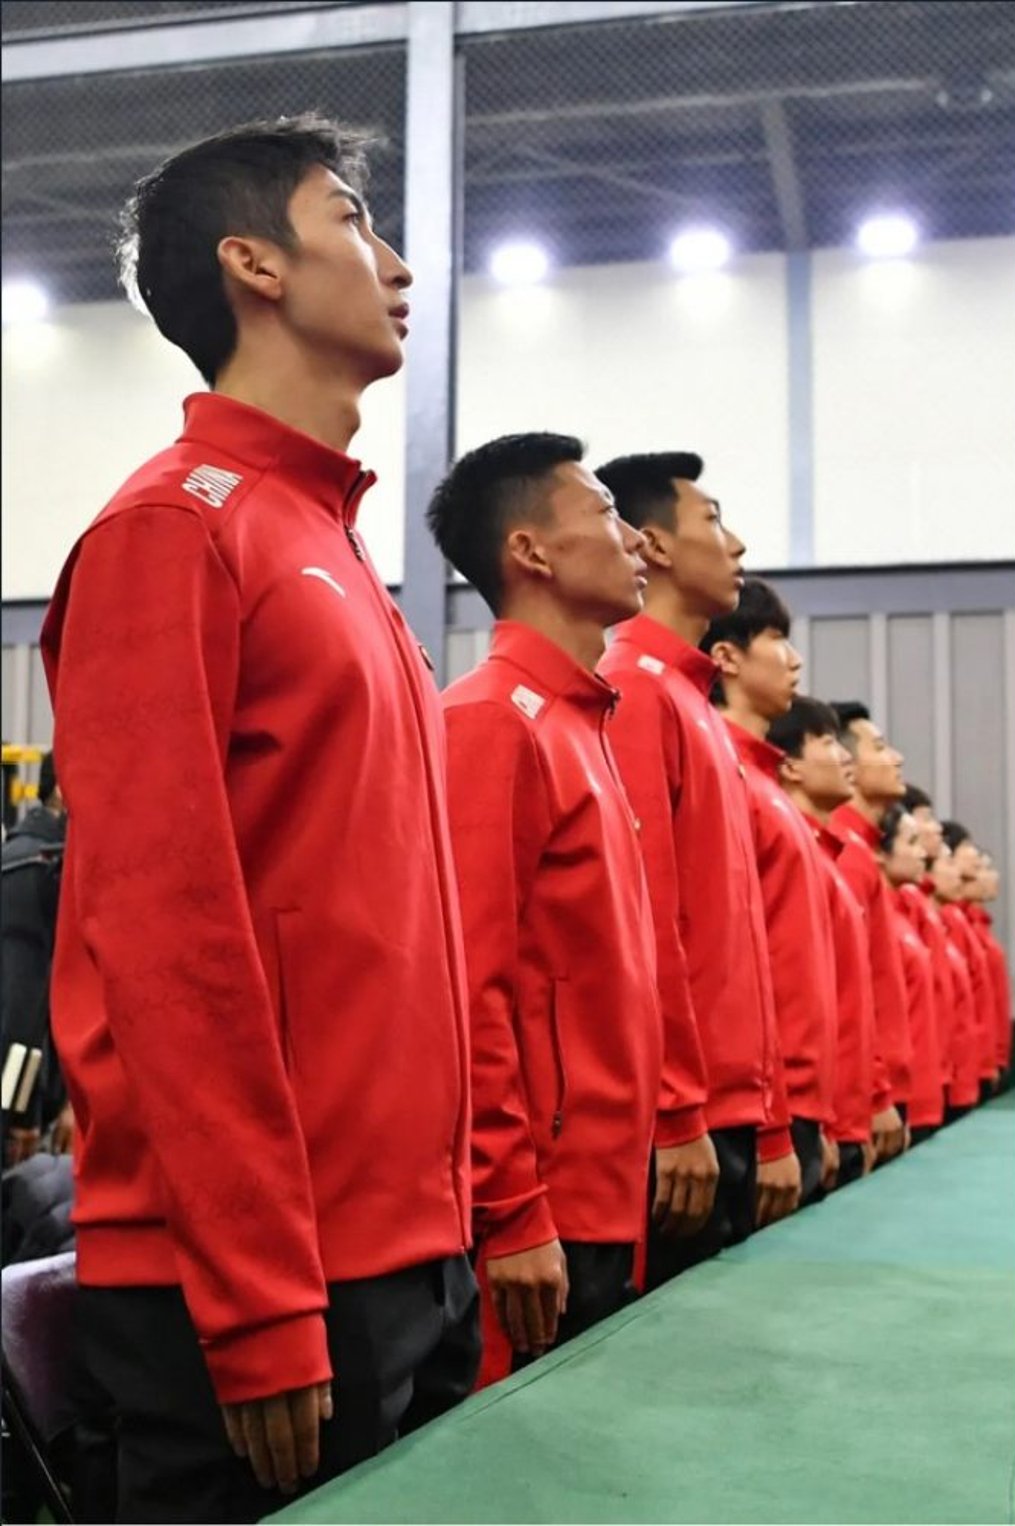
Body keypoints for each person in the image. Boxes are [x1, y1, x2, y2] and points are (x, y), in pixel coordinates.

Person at [40, 116, 478, 1524]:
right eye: (353, 220)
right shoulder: (175, 530)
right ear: (255, 266)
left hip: (400, 1243)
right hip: (259, 1279)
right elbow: (160, 932)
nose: (395, 264)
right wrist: (259, 1291)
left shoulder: (328, 544)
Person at [427, 433, 667, 1384]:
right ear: (529, 551)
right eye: (605, 513)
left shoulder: (582, 723)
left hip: (605, 1194)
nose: (635, 540)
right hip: (540, 1215)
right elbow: (467, 988)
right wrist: (514, 1206)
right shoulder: (491, 720)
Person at [596, 452, 795, 1285]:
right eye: (712, 519)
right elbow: (646, 917)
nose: (736, 543)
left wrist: (770, 1111)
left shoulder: (692, 701)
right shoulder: (634, 691)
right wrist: (679, 1105)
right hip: (691, 1117)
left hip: (730, 1102)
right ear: (654, 545)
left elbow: (741, 940)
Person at [703, 581, 839, 1205]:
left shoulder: (767, 793)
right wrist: (774, 1122)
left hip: (788, 1104)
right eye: (777, 638)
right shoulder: (727, 778)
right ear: (727, 657)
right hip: (748, 1110)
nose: (794, 658)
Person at [768, 698, 878, 1187]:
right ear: (790, 764)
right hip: (792, 1109)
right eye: (830, 742)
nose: (846, 756)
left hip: (821, 1109)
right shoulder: (797, 839)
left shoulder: (831, 854)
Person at [829, 702, 912, 1162]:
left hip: (875, 1092)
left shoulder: (859, 850)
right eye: (879, 748)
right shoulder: (843, 850)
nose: (896, 758)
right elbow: (846, 985)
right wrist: (875, 1092)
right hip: (857, 1100)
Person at [1, 751, 72, 1167]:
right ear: (61, 789)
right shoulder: (35, 867)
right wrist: (20, 1112)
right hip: (19, 1109)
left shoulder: (47, 859)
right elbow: (22, 1004)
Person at [878, 807, 945, 1144]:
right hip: (890, 1095)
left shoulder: (907, 912)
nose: (922, 853)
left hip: (916, 1090)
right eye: (911, 841)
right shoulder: (884, 915)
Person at [897, 785, 957, 1122]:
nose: (935, 829)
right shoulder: (903, 900)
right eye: (927, 819)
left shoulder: (919, 903)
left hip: (930, 1075)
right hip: (905, 1085)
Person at [940, 822, 1000, 1102]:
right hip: (951, 1072)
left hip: (971, 1065)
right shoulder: (949, 920)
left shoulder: (968, 923)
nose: (992, 875)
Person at [931, 842, 981, 1121]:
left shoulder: (952, 922)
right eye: (949, 862)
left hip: (954, 1071)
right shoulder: (939, 920)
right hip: (931, 1077)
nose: (961, 874)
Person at [963, 850, 1013, 1091]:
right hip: (970, 1065)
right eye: (981, 868)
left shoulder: (979, 928)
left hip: (985, 1059)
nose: (992, 876)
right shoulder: (958, 925)